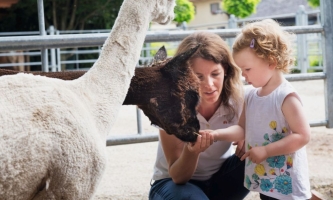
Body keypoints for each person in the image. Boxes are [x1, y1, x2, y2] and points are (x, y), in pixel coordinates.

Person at [209, 19, 311, 200]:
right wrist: (216, 134)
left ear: (271, 62)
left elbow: (302, 136)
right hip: (266, 180)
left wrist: (266, 151)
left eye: (247, 69)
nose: (244, 75)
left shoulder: (285, 97)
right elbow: (241, 129)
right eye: (241, 70)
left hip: (287, 183)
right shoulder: (251, 95)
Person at [149, 31, 249, 200]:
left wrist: (250, 136)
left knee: (262, 152)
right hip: (174, 186)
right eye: (198, 76)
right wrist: (192, 151)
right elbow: (178, 177)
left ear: (226, 69)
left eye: (215, 74)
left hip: (220, 182)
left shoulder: (240, 98)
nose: (209, 85)